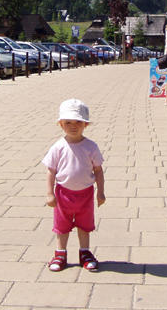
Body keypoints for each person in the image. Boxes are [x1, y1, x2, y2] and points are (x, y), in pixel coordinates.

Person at [42, 98, 106, 272]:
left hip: (85, 194)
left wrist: (100, 192)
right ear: (61, 124)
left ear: (85, 124)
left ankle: (84, 252)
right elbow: (51, 171)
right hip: (63, 194)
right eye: (68, 122)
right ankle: (60, 253)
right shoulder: (58, 147)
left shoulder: (91, 147)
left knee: (84, 225)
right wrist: (50, 193)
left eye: (78, 122)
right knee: (61, 226)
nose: (73, 126)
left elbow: (98, 170)